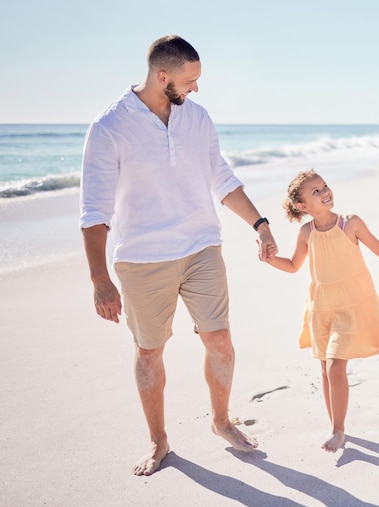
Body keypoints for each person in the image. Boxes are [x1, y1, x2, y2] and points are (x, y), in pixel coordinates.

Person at [79, 35, 278, 476]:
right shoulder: (109, 126)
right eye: (190, 80)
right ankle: (159, 440)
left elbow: (220, 177)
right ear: (162, 76)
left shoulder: (198, 118)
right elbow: (95, 210)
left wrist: (260, 224)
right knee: (150, 351)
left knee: (220, 341)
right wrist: (99, 279)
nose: (196, 89)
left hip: (201, 246)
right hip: (143, 258)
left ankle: (222, 421)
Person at [261, 169, 379, 452]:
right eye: (315, 192)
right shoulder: (306, 232)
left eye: (324, 186)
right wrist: (270, 260)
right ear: (302, 206)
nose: (325, 192)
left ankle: (338, 430)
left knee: (335, 365)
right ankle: (336, 423)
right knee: (324, 367)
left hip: (352, 303)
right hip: (321, 305)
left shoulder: (350, 223)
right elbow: (294, 265)